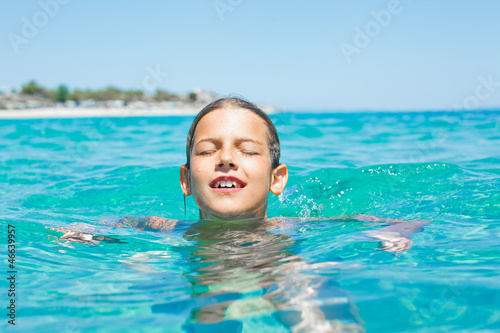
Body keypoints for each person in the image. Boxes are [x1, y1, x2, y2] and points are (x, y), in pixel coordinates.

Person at [49, 97, 430, 332]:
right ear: (186, 180)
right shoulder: (168, 228)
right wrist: (85, 230)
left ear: (276, 179)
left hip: (279, 267)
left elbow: (401, 220)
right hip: (201, 276)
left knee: (299, 290)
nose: (226, 159)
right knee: (183, 292)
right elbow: (122, 222)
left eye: (247, 150)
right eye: (207, 151)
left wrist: (399, 232)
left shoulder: (293, 226)